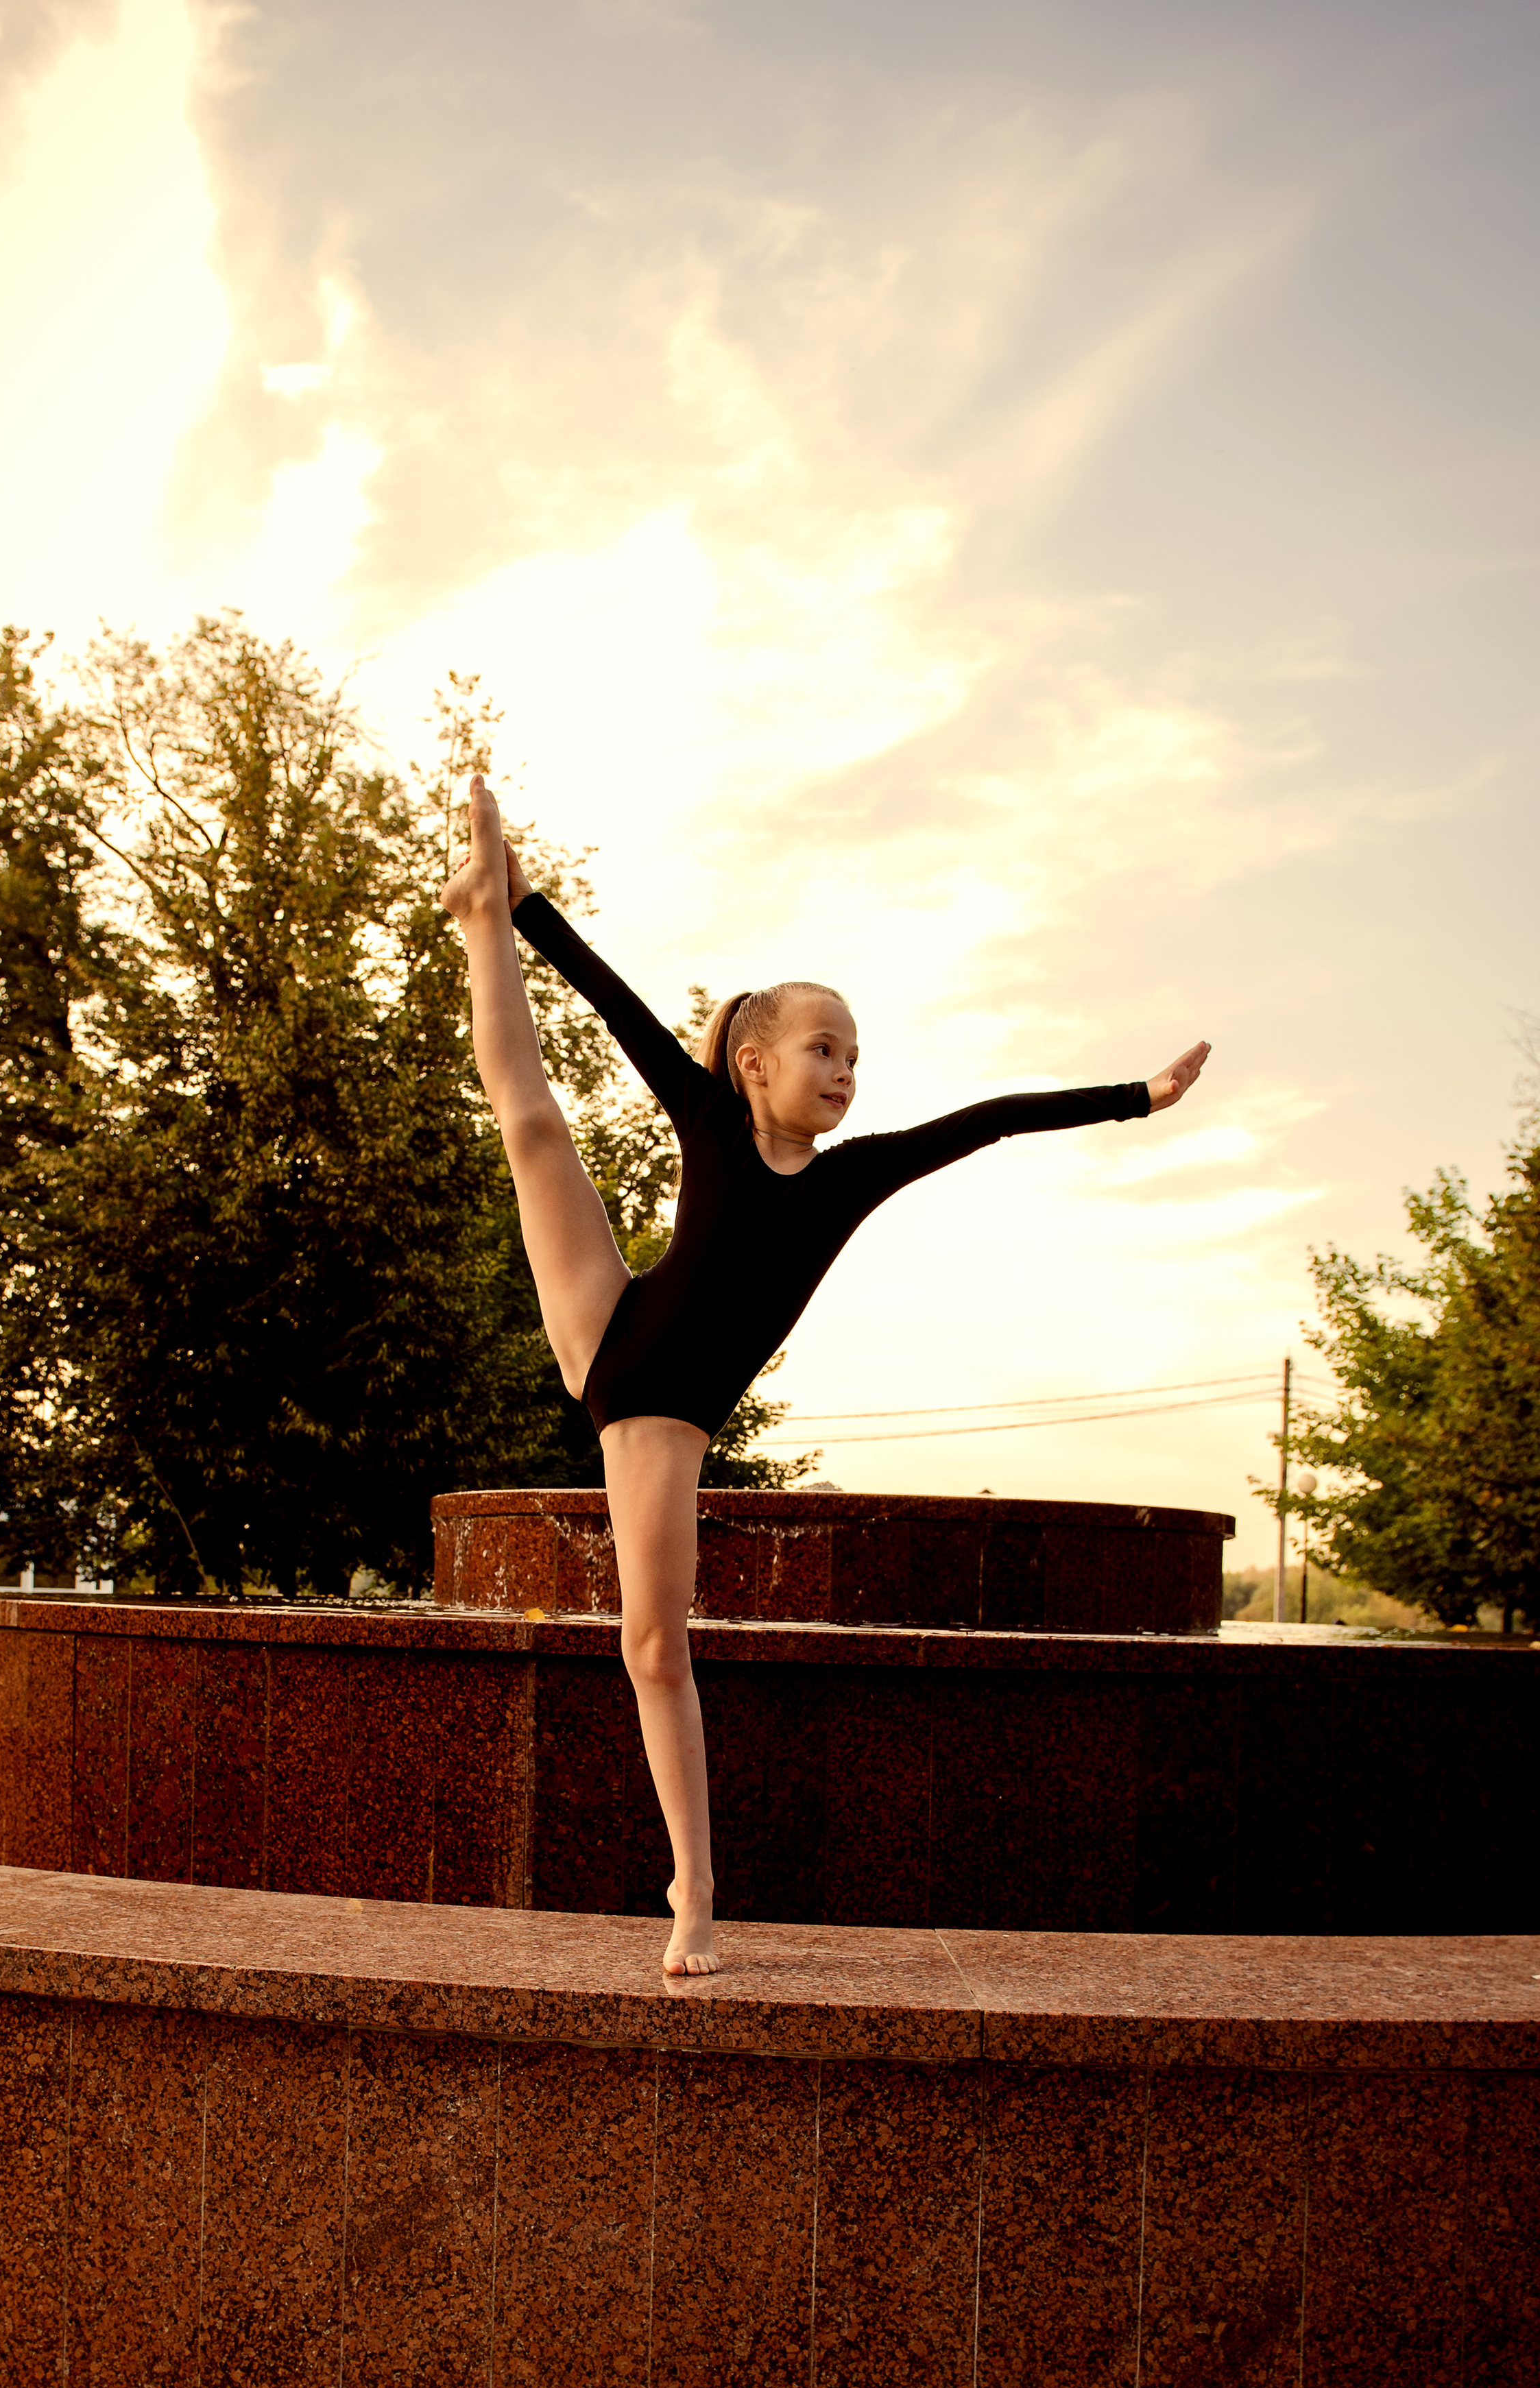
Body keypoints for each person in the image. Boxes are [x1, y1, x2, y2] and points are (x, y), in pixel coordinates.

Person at [444, 775, 1210, 1977]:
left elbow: (990, 1118)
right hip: (616, 1322)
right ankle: (485, 909)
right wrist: (533, 913)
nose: (847, 1070)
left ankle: (692, 1889)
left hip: (656, 1408)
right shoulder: (704, 1110)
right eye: (824, 1048)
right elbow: (614, 1005)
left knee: (654, 1646)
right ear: (755, 1063)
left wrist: (1136, 1099)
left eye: (856, 1055)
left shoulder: (851, 1176)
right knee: (530, 1119)